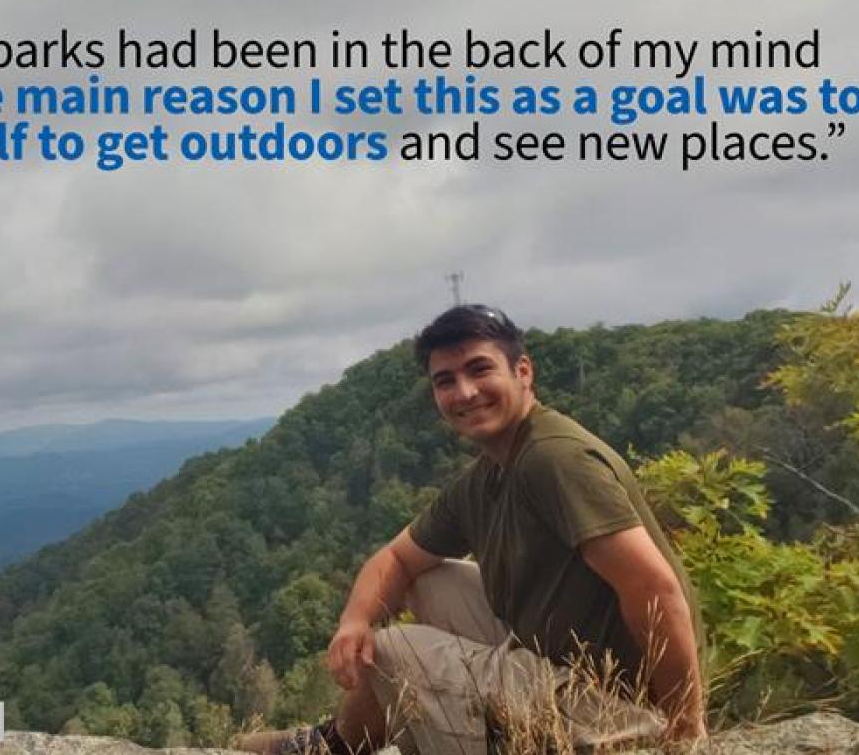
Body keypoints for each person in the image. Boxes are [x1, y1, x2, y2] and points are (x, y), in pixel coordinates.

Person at [234, 304, 706, 754]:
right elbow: (396, 559)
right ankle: (341, 740)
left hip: (616, 708)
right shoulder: (489, 474)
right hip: (558, 658)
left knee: (394, 649)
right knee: (428, 580)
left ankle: (338, 746)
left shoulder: (555, 459)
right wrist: (353, 622)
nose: (464, 392)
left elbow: (654, 588)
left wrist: (685, 726)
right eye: (446, 381)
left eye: (480, 370)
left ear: (523, 372)